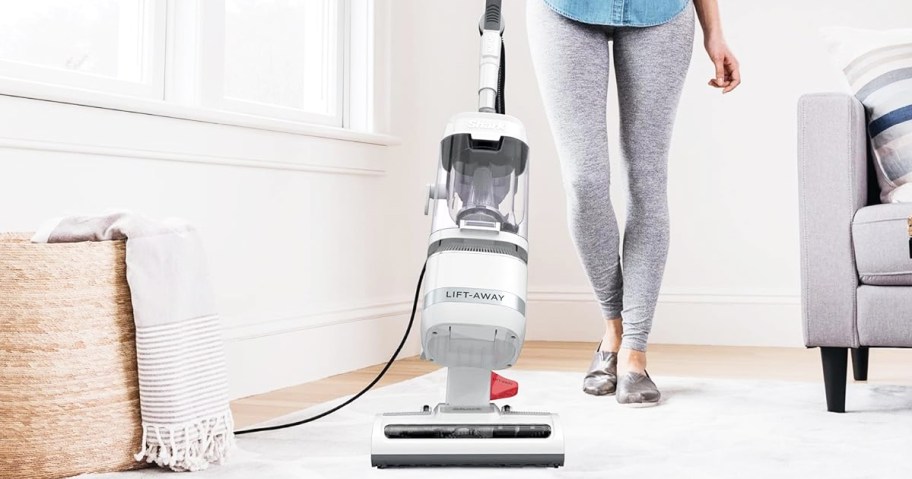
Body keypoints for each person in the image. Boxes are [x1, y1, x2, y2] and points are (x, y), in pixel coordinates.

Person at [526, 0, 741, 406]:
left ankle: (634, 351)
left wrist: (714, 32)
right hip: (562, 11)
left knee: (646, 178)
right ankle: (614, 328)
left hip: (660, 14)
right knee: (584, 180)